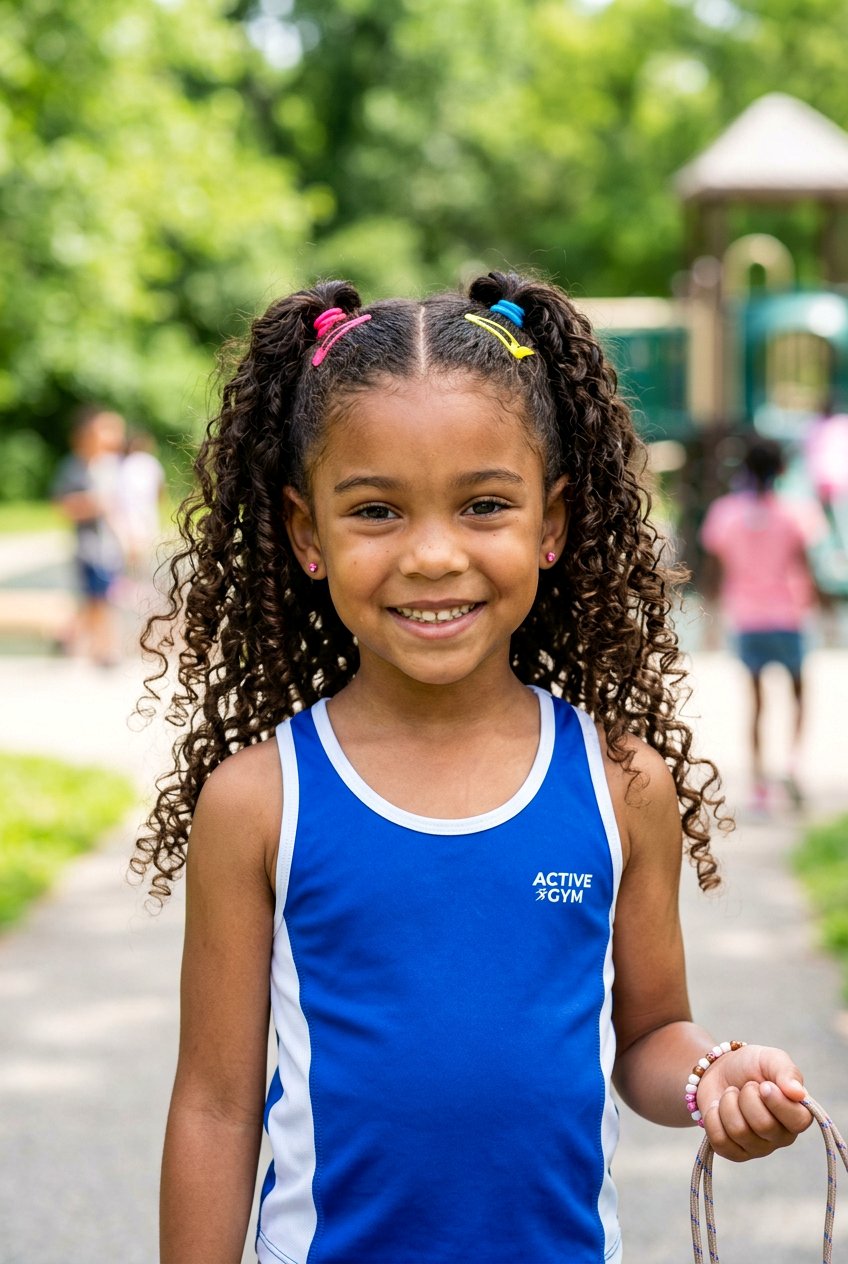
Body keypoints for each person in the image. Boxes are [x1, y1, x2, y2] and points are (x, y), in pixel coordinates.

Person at [132, 274, 812, 1264]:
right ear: (305, 532)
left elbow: (650, 1033)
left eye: (483, 504)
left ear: (551, 522)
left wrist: (714, 1080)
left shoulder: (619, 783)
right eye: (376, 511)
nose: (434, 554)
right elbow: (215, 1104)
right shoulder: (258, 797)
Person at [700, 437, 826, 813]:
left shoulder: (725, 513)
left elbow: (713, 569)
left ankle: (758, 785)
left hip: (747, 616)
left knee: (755, 703)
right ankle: (791, 763)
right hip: (788, 615)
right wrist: (823, 605)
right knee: (799, 692)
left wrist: (711, 613)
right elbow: (806, 564)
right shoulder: (796, 512)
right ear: (782, 470)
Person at [52, 406, 126, 666]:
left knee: (99, 597)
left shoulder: (109, 466)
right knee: (99, 597)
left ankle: (67, 635)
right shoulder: (74, 466)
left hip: (110, 546)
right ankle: (104, 649)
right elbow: (62, 505)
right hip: (89, 547)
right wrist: (92, 504)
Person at [114, 428, 167, 578]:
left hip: (131, 509)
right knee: (144, 543)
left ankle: (133, 573)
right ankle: (138, 573)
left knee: (133, 544)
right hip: (145, 509)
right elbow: (160, 488)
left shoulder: (125, 463)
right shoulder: (151, 462)